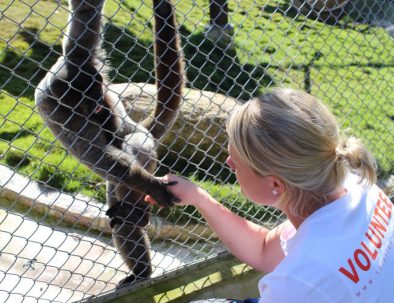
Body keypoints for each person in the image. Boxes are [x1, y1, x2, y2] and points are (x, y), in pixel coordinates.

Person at [145, 88, 394, 303]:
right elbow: (264, 249)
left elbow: (295, 275)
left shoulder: (297, 281)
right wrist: (199, 198)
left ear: (275, 183)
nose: (228, 162)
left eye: (237, 163)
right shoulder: (353, 184)